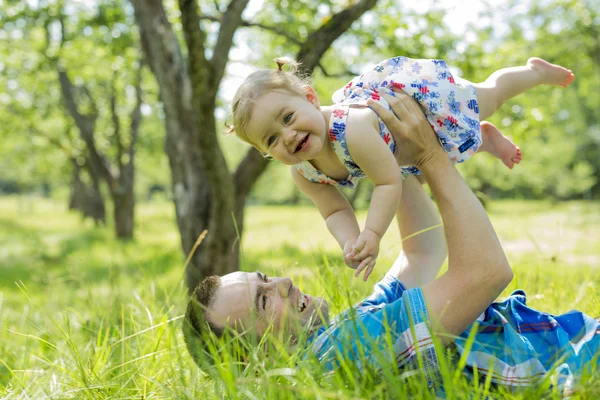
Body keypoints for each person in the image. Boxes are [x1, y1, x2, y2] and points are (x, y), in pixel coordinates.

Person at [187, 90, 598, 395]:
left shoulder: (340, 334)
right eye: (263, 300)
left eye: (263, 277)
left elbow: (422, 251)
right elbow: (485, 274)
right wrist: (430, 158)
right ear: (250, 364)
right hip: (581, 360)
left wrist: (382, 155)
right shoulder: (341, 352)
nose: (282, 283)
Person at [228, 56, 575, 280]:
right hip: (402, 152)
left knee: (489, 97)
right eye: (271, 140)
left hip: (425, 103)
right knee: (422, 170)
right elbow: (333, 209)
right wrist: (351, 241)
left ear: (310, 99)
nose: (287, 136)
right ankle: (481, 140)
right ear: (265, 153)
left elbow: (387, 182)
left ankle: (532, 73)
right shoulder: (303, 172)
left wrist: (374, 234)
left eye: (288, 118)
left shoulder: (352, 129)